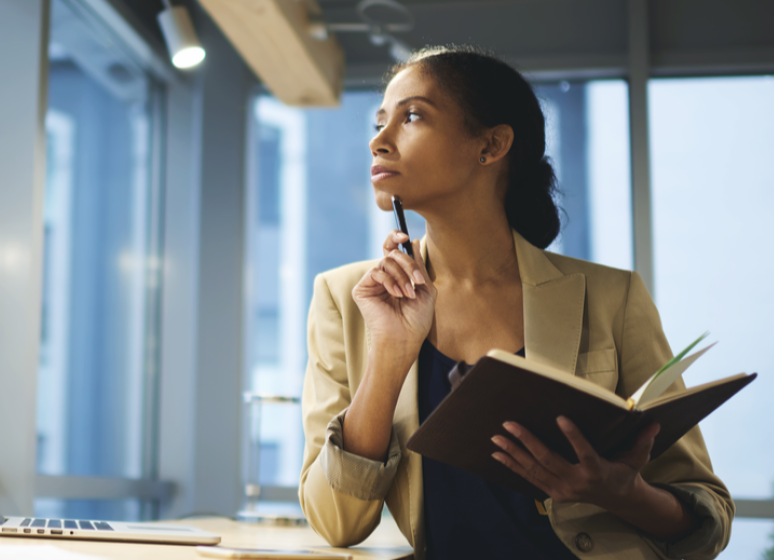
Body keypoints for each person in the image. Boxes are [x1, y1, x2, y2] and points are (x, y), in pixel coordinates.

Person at [298, 47, 732, 560]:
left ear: (491, 145)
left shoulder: (612, 299)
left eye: (411, 115)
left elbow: (709, 520)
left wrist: (623, 493)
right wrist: (389, 356)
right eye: (379, 120)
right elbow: (337, 523)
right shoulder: (348, 299)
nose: (378, 139)